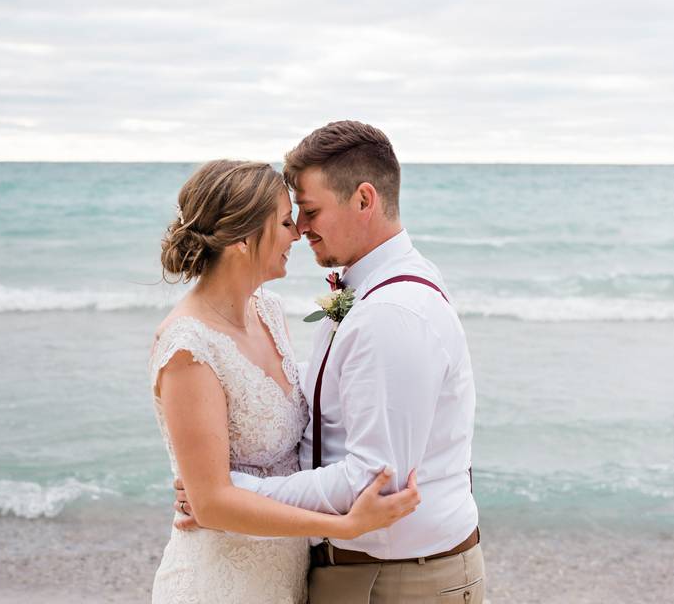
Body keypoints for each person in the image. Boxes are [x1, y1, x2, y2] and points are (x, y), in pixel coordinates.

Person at [174, 123, 485, 603]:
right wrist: (218, 494)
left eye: (311, 210)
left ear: (364, 200)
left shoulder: (390, 313)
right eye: (294, 213)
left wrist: (231, 492)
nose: (299, 227)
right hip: (366, 571)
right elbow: (320, 419)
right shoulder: (369, 289)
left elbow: (372, 481)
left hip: (395, 580)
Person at [149, 159, 421, 604]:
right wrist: (345, 526)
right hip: (221, 583)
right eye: (285, 222)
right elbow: (213, 503)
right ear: (241, 238)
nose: (297, 234)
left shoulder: (269, 312)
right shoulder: (188, 347)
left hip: (284, 575)